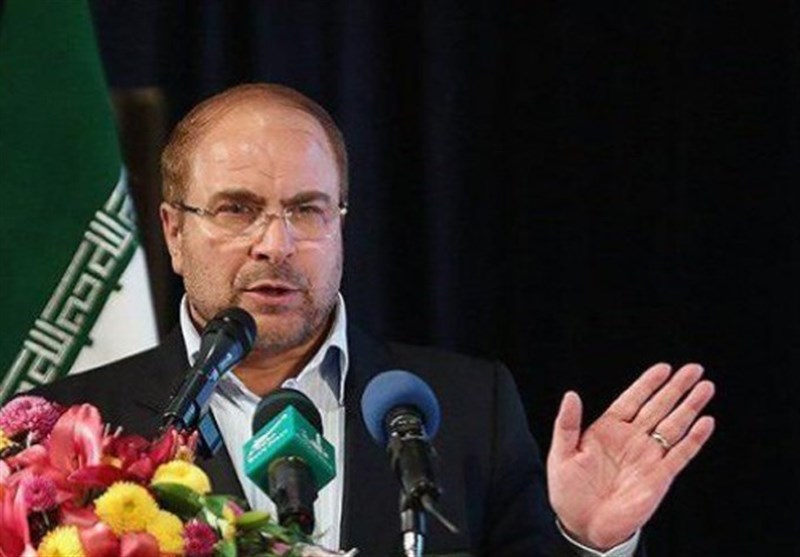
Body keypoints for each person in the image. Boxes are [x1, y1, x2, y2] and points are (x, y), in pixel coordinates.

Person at [36, 83, 715, 556]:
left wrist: (586, 543)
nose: (276, 244)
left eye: (307, 210)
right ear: (174, 233)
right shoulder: (71, 431)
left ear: (340, 225)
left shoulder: (468, 407)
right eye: (237, 209)